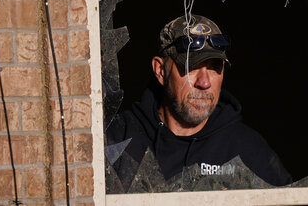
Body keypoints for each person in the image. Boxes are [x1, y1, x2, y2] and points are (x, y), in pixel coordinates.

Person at [104, 14, 292, 191]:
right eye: (192, 67)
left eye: (214, 68)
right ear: (160, 71)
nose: (204, 82)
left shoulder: (247, 150)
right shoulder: (118, 139)